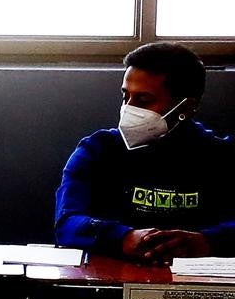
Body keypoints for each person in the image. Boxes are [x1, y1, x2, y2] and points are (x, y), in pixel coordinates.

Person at [55, 42, 234, 261]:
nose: (129, 108)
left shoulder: (223, 156)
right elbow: (67, 222)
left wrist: (206, 242)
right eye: (125, 97)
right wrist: (124, 237)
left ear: (186, 108)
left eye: (144, 99)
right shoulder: (97, 150)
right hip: (108, 286)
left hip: (195, 287)